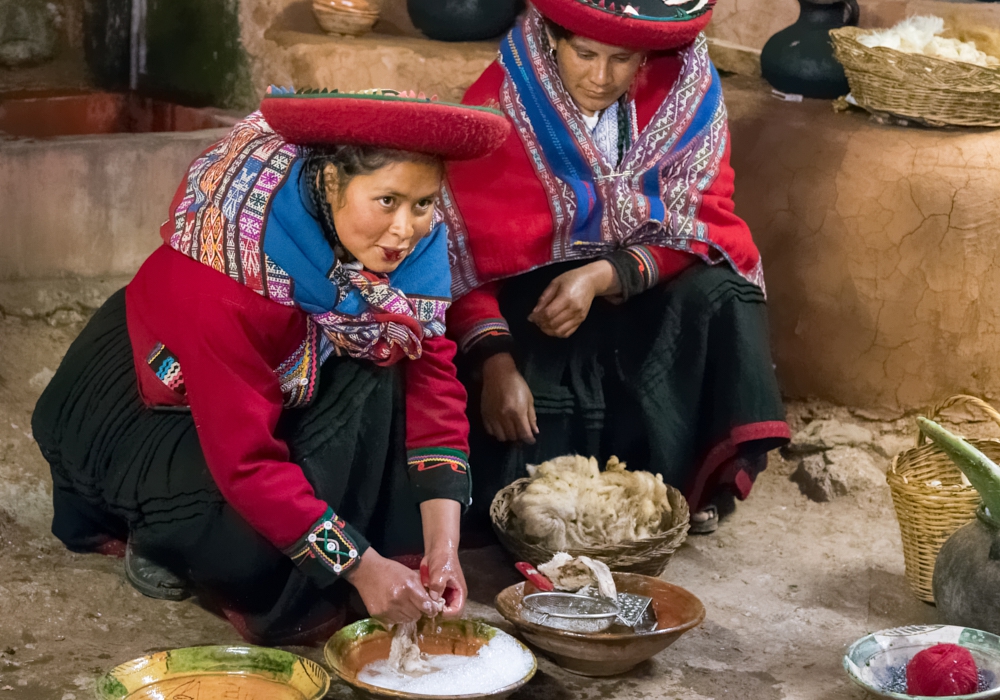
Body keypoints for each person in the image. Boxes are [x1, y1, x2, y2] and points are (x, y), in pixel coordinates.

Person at [31, 88, 509, 645]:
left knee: (391, 370)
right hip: (155, 407)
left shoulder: (416, 249)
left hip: (281, 381)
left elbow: (434, 382)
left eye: (423, 204)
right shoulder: (231, 272)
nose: (406, 229)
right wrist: (360, 566)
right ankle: (158, 532)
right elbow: (245, 462)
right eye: (387, 201)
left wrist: (442, 548)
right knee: (250, 549)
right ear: (331, 183)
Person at [441, 0, 791, 535]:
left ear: (648, 55)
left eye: (622, 58)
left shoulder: (686, 92)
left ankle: (685, 480)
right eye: (584, 54)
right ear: (551, 39)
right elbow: (458, 251)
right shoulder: (499, 104)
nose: (601, 77)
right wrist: (495, 363)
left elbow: (704, 224)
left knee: (725, 291)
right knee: (525, 473)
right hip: (536, 315)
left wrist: (602, 276)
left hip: (636, 295)